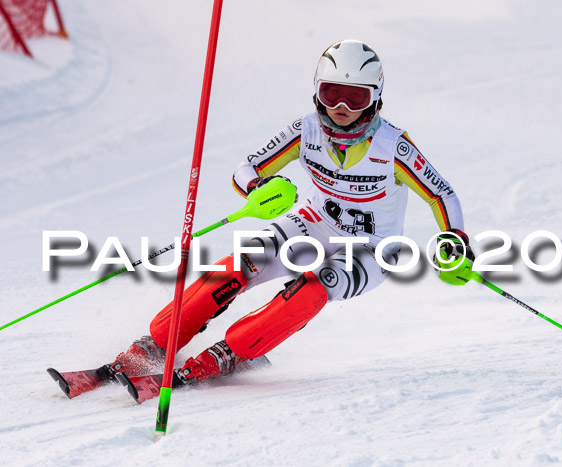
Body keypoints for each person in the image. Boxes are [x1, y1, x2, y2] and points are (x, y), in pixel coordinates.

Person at [110, 39, 476, 384]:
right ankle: (159, 341)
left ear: (376, 99)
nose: (342, 108)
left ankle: (232, 352)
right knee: (241, 262)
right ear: (317, 92)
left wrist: (454, 242)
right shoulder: (306, 131)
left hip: (372, 248)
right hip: (314, 224)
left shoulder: (393, 146)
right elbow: (247, 168)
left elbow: (440, 194)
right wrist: (258, 189)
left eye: (355, 97)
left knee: (315, 288)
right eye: (332, 93)